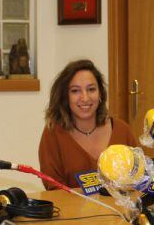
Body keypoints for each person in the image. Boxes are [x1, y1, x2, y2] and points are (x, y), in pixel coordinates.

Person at [38, 59, 137, 189]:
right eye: (75, 91)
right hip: (71, 209)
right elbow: (53, 187)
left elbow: (138, 179)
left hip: (120, 209)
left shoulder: (122, 131)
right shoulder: (53, 134)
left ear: (100, 93)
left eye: (91, 89)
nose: (85, 98)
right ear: (65, 96)